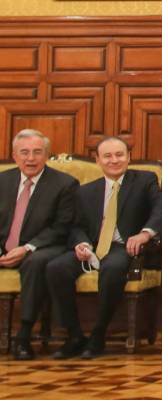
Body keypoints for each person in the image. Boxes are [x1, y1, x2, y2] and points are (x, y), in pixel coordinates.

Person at [47, 136, 162, 359]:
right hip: (91, 246)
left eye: (119, 155)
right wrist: (81, 243)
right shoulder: (85, 191)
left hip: (124, 247)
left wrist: (145, 234)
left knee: (113, 268)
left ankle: (98, 334)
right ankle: (74, 335)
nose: (114, 160)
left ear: (129, 157)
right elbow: (76, 226)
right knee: (56, 267)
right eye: (108, 156)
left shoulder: (144, 180)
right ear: (98, 160)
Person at [0, 129, 78, 361]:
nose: (30, 158)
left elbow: (61, 227)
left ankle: (23, 336)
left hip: (44, 247)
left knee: (35, 263)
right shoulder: (2, 181)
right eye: (24, 152)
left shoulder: (64, 184)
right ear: (14, 156)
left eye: (37, 152)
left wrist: (27, 248)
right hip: (4, 246)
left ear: (47, 155)